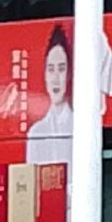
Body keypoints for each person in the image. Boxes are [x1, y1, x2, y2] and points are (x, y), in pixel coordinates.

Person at [25, 25, 73, 167]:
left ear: (69, 74)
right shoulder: (36, 132)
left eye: (61, 69)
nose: (56, 78)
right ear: (45, 75)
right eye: (51, 69)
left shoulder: (80, 125)